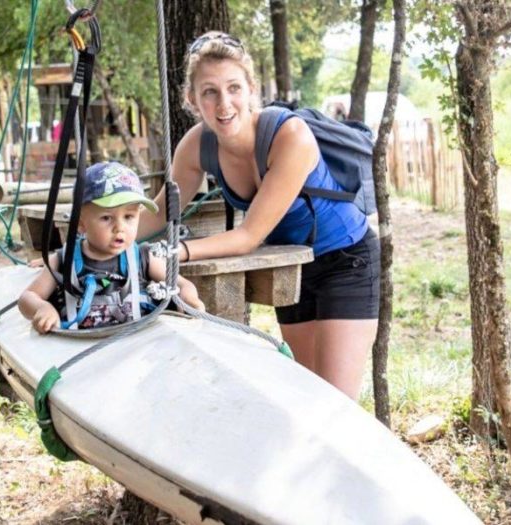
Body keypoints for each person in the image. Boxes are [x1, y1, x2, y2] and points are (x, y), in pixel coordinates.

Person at [137, 31, 380, 400]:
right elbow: (157, 215)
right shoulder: (197, 146)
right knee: (306, 400)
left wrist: (175, 252)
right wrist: (95, 238)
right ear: (192, 99)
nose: (224, 103)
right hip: (294, 268)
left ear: (251, 89)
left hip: (347, 262)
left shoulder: (290, 135)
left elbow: (248, 237)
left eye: (234, 88)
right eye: (210, 92)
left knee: (337, 409)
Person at [20, 161, 204, 333]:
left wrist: (189, 299)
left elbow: (181, 284)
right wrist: (43, 308)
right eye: (107, 218)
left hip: (134, 350)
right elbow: (27, 297)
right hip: (80, 350)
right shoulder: (63, 261)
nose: (120, 227)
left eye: (129, 217)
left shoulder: (142, 257)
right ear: (80, 224)